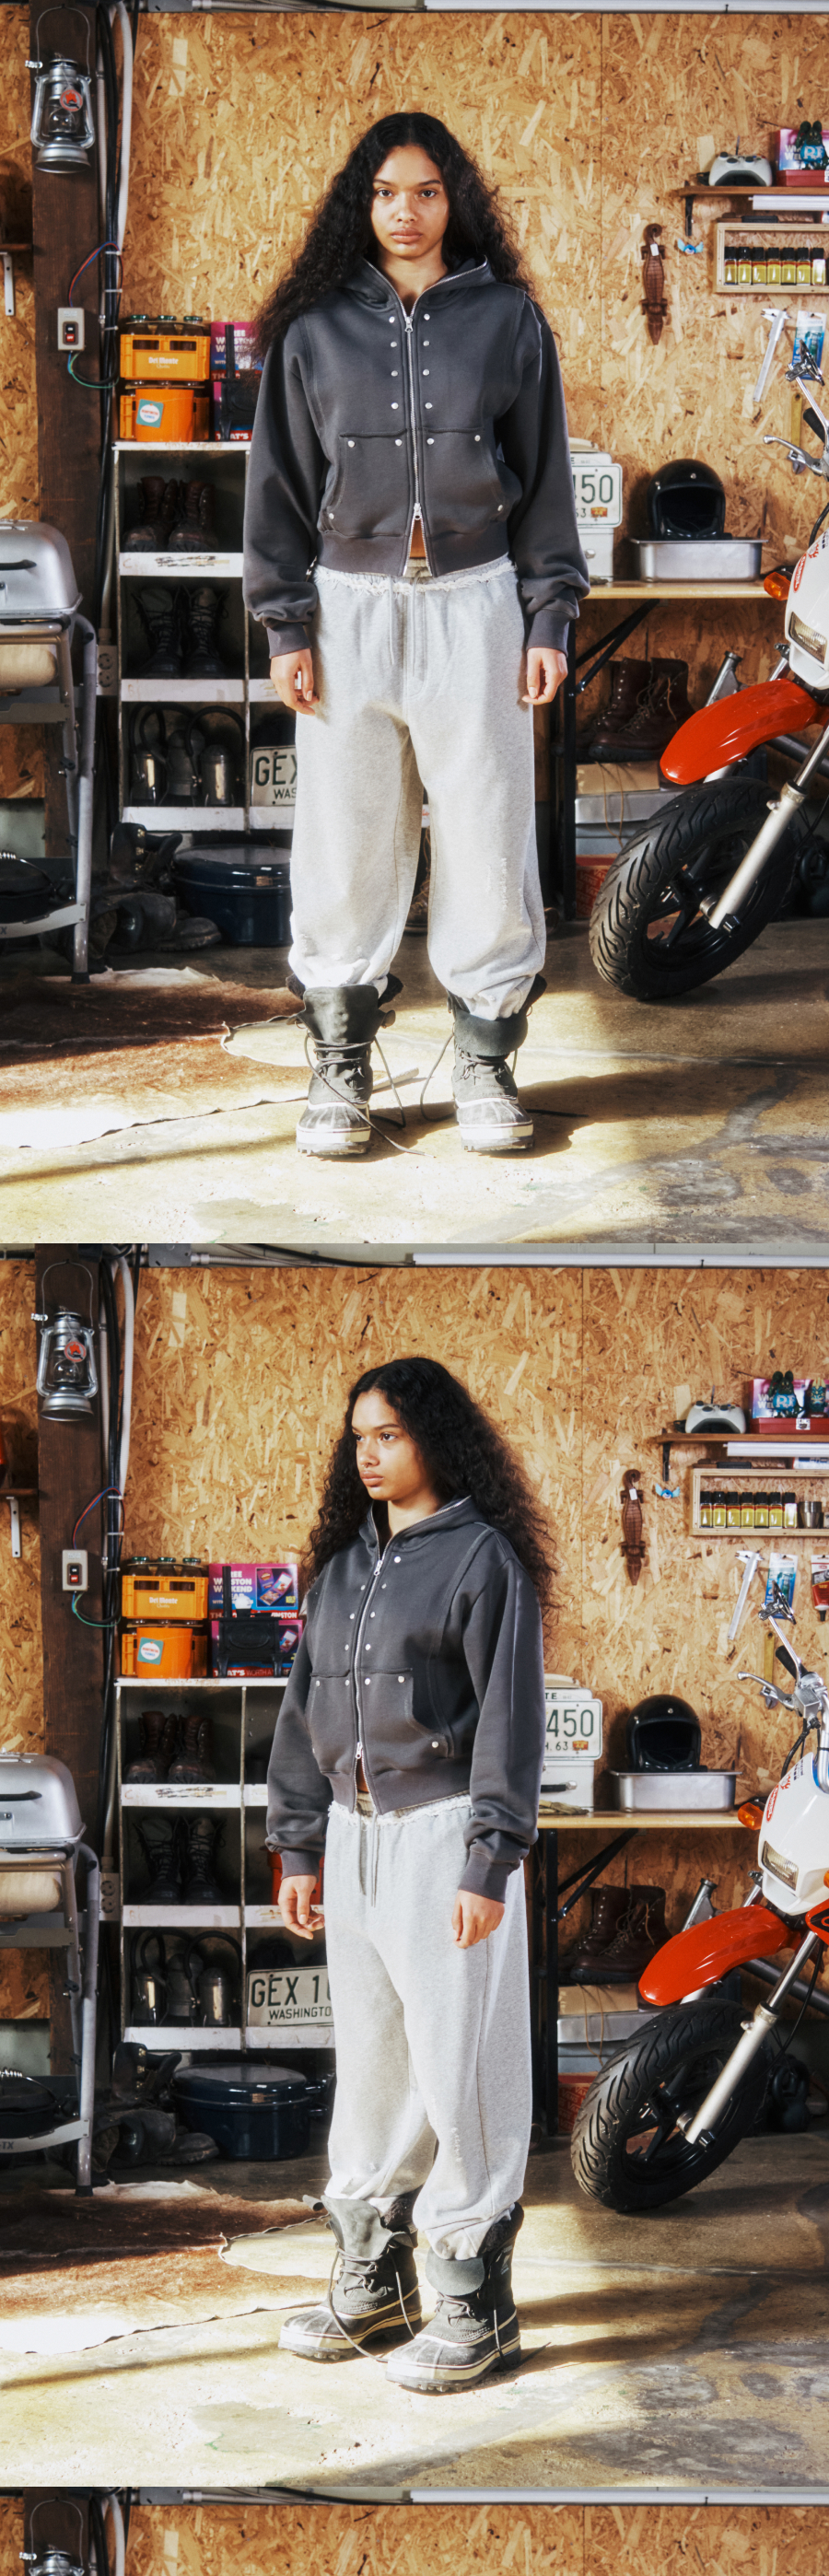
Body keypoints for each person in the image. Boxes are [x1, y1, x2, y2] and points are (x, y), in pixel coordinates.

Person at [244, 113, 588, 1160]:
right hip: (348, 613)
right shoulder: (313, 330)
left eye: (427, 191)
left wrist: (549, 614)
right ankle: (340, 1062)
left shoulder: (507, 319)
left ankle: (485, 1059)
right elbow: (278, 485)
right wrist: (286, 627)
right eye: (388, 192)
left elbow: (546, 480)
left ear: (454, 201)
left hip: (477, 607)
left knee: (486, 836)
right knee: (344, 841)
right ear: (364, 202)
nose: (407, 211)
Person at [266, 1354, 550, 2394]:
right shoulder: (343, 1566)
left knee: (461, 2063)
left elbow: (510, 1724)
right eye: (359, 1438)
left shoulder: (482, 1560)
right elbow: (303, 1710)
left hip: (443, 1839)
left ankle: (477, 2297)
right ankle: (377, 2278)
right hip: (355, 1838)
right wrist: (300, 1844)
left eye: (388, 1434)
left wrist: (489, 1861)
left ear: (435, 1436)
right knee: (376, 2062)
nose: (370, 1455)